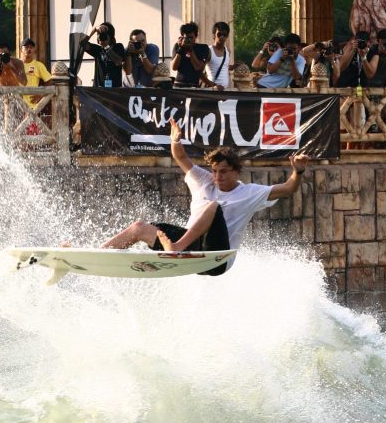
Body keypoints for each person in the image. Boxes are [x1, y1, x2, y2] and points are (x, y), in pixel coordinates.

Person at [103, 118, 309, 275]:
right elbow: (180, 156)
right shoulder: (204, 180)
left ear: (236, 171)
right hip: (191, 250)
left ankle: (176, 248)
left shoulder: (250, 193)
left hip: (217, 259)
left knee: (213, 206)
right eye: (215, 171)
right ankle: (99, 254)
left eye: (224, 172)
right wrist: (175, 140)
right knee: (139, 227)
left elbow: (288, 188)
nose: (217, 177)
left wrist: (298, 171)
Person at [82, 22, 125, 87]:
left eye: (103, 34)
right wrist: (94, 29)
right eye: (99, 34)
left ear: (110, 36)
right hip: (98, 89)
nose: (100, 36)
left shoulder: (118, 47)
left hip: (114, 90)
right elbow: (82, 43)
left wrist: (106, 47)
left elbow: (118, 62)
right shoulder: (98, 49)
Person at [171, 22, 210, 88]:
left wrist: (190, 50)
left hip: (193, 86)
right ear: (182, 37)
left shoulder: (203, 48)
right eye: (186, 38)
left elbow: (198, 68)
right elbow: (174, 68)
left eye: (191, 37)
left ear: (196, 36)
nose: (189, 40)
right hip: (178, 85)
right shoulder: (178, 46)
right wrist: (180, 49)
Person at [202, 22, 231, 90]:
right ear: (214, 35)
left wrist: (232, 66)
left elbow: (223, 66)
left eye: (224, 35)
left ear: (227, 36)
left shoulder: (228, 51)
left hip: (225, 91)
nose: (222, 37)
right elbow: (199, 72)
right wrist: (213, 85)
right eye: (219, 34)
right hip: (212, 91)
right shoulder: (209, 51)